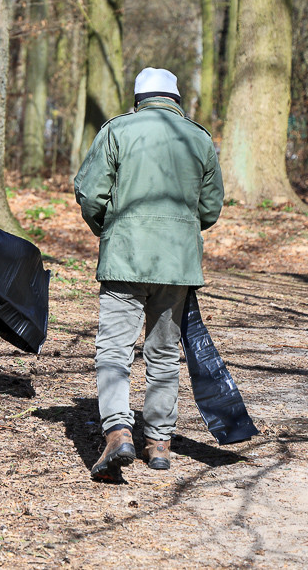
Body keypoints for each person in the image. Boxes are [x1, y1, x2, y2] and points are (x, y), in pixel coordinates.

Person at [74, 67, 224, 480]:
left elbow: (90, 192)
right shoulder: (199, 137)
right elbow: (210, 208)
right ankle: (158, 443)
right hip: (177, 264)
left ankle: (118, 432)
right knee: (163, 353)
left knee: (114, 351)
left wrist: (110, 228)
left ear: (137, 99)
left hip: (126, 255)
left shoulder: (117, 130)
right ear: (176, 100)